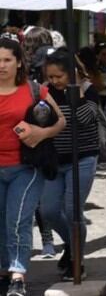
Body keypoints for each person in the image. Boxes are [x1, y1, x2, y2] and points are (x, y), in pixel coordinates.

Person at [0, 36, 66, 296]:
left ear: (18, 62)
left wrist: (41, 132)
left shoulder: (34, 90)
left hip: (26, 167)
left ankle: (18, 274)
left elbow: (60, 121)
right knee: (1, 220)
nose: (2, 65)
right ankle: (4, 269)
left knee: (18, 219)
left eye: (7, 60)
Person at [39, 49, 101, 280]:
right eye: (51, 77)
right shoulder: (45, 92)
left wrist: (74, 92)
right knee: (49, 210)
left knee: (73, 211)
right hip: (54, 160)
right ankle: (71, 245)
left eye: (59, 77)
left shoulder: (88, 90)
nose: (54, 81)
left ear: (72, 74)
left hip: (83, 158)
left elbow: (87, 118)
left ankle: (77, 260)